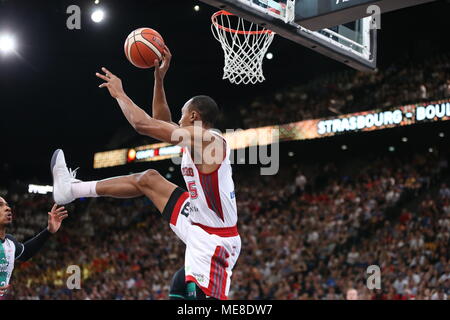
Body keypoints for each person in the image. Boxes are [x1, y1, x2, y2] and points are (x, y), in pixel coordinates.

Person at [51, 46, 241, 300]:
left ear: (194, 115)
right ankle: (71, 189)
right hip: (197, 217)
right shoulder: (193, 139)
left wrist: (120, 94)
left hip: (215, 237)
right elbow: (160, 120)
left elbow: (143, 125)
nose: (178, 118)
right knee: (148, 178)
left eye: (183, 114)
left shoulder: (209, 142)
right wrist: (158, 80)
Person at [0, 197, 68, 297]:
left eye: (7, 205)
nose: (7, 208)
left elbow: (25, 253)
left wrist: (49, 231)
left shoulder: (10, 242)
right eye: (0, 205)